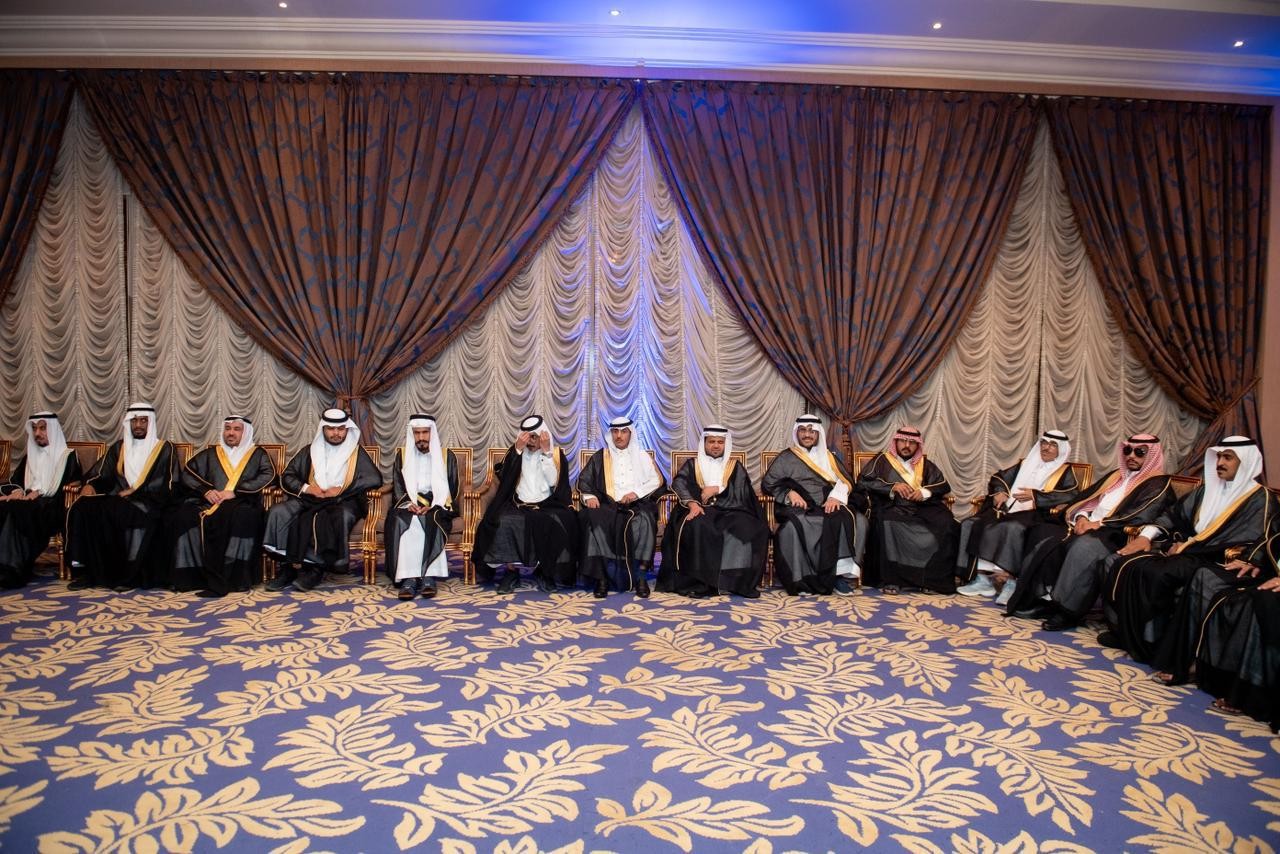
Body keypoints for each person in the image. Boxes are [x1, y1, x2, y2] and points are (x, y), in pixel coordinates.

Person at [1103, 436, 1276, 661]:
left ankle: (1150, 642)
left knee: (1156, 572)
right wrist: (1147, 536)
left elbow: (1266, 537)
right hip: (1188, 553)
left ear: (1246, 462)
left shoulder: (1261, 499)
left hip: (1214, 560)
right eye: (1219, 457)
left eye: (1228, 458)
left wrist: (1249, 557)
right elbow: (1172, 515)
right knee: (1128, 564)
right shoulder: (1206, 490)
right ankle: (1130, 636)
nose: (1220, 463)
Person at [1006, 433, 1175, 630]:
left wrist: (1099, 524)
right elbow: (1088, 500)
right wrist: (1082, 517)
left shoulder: (1158, 484)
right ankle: (1043, 599)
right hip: (1090, 526)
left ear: (1152, 455)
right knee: (1047, 536)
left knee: (1084, 548)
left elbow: (1142, 515)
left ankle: (1067, 611)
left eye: (1140, 452)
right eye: (1128, 450)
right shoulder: (1116, 476)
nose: (1131, 456)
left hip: (1117, 534)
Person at [956, 430, 1080, 605]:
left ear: (1061, 450)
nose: (1046, 448)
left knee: (1011, 527)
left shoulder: (1065, 472)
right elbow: (999, 478)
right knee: (971, 523)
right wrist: (1000, 492)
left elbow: (1071, 495)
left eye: (1053, 445)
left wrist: (1036, 496)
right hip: (1008, 509)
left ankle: (1011, 582)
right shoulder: (1025, 463)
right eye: (1044, 443)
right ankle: (982, 580)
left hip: (1037, 514)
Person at [263, 409, 381, 592]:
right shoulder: (309, 451)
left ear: (347, 430)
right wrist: (307, 488)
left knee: (328, 518)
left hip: (342, 501)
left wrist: (341, 488)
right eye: (331, 429)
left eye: (340, 429)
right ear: (323, 429)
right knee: (279, 511)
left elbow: (374, 478)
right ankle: (288, 567)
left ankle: (316, 569)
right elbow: (287, 476)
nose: (336, 433)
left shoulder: (356, 453)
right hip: (310, 498)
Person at [66, 402, 177, 591]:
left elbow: (169, 482)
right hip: (118, 498)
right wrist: (91, 485)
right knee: (83, 507)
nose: (138, 425)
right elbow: (102, 473)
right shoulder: (119, 448)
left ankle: (127, 576)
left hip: (149, 501)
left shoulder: (165, 448)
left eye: (143, 421)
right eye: (134, 421)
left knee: (120, 512)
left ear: (150, 423)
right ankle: (88, 572)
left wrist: (135, 491)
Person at [166, 415, 275, 597]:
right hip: (210, 502)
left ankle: (236, 577)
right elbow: (188, 474)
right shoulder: (210, 454)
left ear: (246, 433)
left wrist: (236, 492)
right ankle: (192, 576)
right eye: (228, 429)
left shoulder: (258, 454)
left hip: (242, 501)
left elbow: (269, 475)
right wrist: (206, 491)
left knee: (244, 517)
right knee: (184, 516)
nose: (231, 433)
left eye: (236, 429)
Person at [658, 425, 768, 598]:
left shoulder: (734, 466)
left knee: (748, 527)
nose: (716, 445)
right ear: (705, 443)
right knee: (698, 526)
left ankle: (735, 582)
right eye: (711, 442)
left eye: (720, 442)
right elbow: (679, 483)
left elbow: (743, 492)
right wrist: (693, 504)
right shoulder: (693, 464)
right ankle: (701, 582)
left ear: (725, 444)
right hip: (701, 509)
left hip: (731, 509)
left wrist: (717, 489)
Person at [472, 415, 577, 594]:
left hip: (547, 504)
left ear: (543, 436)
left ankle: (545, 571)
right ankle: (511, 572)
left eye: (535, 437)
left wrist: (546, 454)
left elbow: (554, 483)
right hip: (518, 503)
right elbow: (505, 480)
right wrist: (517, 451)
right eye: (528, 437)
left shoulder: (555, 455)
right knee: (502, 521)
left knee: (562, 520)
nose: (531, 441)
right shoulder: (516, 452)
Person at [760, 415, 864, 596]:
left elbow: (845, 481)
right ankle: (802, 579)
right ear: (797, 432)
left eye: (812, 431)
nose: (807, 435)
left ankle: (837, 576)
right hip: (800, 506)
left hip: (828, 504)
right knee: (793, 527)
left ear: (818, 434)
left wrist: (836, 497)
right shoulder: (786, 457)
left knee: (856, 520)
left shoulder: (829, 457)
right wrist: (789, 493)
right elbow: (768, 483)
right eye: (803, 430)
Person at [1191, 534, 1280, 730]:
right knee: (1211, 581)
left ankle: (1251, 693)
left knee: (1262, 603)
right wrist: (1254, 558)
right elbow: (1272, 533)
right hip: (1271, 574)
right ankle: (1206, 670)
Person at [857, 426, 959, 594]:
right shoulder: (882, 460)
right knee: (889, 523)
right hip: (892, 506)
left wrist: (925, 492)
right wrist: (892, 487)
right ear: (896, 442)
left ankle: (931, 580)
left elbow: (943, 485)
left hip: (922, 508)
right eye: (903, 441)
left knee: (948, 524)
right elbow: (863, 482)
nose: (906, 445)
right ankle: (892, 580)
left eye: (912, 442)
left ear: (918, 445)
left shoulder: (924, 464)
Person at [577, 416, 666, 599]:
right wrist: (590, 497)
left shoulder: (642, 456)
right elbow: (584, 481)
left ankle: (641, 577)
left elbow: (656, 481)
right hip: (607, 504)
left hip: (636, 504)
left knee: (645, 520)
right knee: (592, 520)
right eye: (615, 431)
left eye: (623, 432)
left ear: (630, 434)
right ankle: (601, 578)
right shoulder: (601, 457)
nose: (619, 436)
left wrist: (636, 493)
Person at [0, 412, 81, 588]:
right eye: (35, 428)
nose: (37, 433)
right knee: (6, 506)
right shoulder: (29, 456)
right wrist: (17, 491)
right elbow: (16, 481)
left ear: (52, 430)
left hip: (52, 505)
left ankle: (12, 569)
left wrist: (39, 492)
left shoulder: (68, 456)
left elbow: (71, 485)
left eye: (43, 428)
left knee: (19, 511)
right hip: (27, 502)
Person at [384, 414, 458, 600]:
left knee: (431, 519)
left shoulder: (447, 456)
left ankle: (429, 576)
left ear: (432, 433)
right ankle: (408, 577)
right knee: (403, 520)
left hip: (438, 504)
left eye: (425, 432)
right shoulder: (402, 456)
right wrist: (409, 504)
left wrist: (434, 505)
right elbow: (398, 486)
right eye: (417, 433)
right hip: (408, 503)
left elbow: (452, 488)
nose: (421, 437)